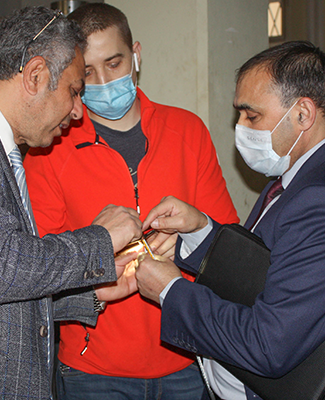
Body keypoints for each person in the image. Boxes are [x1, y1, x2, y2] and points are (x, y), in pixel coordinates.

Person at [0, 6, 143, 400]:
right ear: (36, 75)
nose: (78, 111)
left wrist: (89, 293)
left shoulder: (2, 144)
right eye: (74, 90)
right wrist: (99, 239)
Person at [24, 3, 238, 399]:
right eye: (88, 72)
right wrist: (98, 249)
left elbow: (227, 242)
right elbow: (38, 265)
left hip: (187, 358)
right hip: (92, 371)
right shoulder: (49, 148)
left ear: (136, 54)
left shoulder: (188, 130)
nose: (104, 81)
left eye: (114, 63)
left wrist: (187, 244)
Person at [136, 40, 325, 400]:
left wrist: (170, 290)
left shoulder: (317, 198)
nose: (240, 127)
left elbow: (269, 345)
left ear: (303, 114)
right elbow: (262, 266)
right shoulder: (293, 176)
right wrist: (200, 230)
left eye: (252, 116)